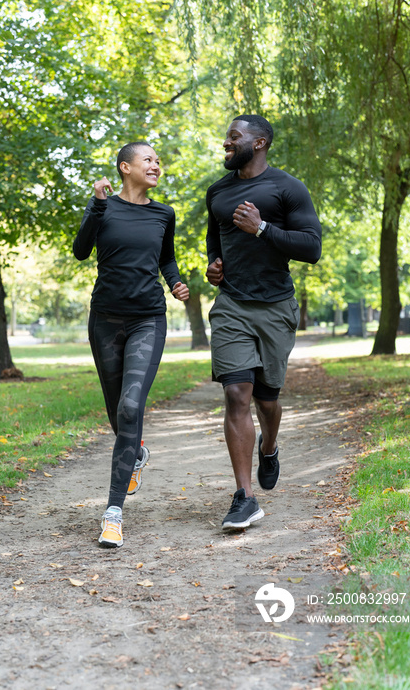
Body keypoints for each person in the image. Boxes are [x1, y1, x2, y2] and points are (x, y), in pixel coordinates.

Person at [206, 115, 321, 531]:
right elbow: (214, 242)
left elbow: (311, 248)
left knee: (266, 400)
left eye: (234, 136)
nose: (226, 142)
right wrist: (212, 267)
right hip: (232, 305)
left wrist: (263, 228)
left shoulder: (287, 188)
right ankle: (244, 497)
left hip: (275, 307)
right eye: (227, 136)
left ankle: (268, 446)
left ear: (260, 143)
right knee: (237, 393)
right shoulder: (217, 192)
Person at [73, 142, 189, 548]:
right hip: (104, 321)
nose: (156, 165)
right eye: (148, 160)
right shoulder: (104, 208)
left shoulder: (163, 213)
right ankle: (136, 452)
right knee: (117, 411)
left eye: (158, 160)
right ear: (125, 168)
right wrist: (96, 204)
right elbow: (81, 250)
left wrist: (174, 282)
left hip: (147, 319)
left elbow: (166, 259)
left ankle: (112, 513)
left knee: (130, 406)